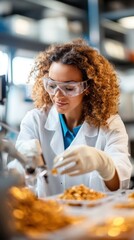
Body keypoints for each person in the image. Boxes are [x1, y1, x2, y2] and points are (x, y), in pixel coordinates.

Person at [8, 38, 132, 197]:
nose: (57, 95)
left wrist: (104, 164)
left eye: (69, 87)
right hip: (51, 216)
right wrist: (22, 163)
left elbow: (121, 182)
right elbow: (19, 179)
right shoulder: (35, 120)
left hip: (95, 216)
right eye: (52, 86)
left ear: (88, 87)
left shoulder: (110, 124)